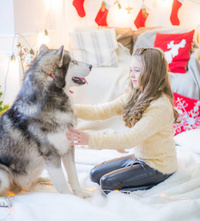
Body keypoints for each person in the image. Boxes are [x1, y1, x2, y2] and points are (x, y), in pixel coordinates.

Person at [66, 47, 179, 193]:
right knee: (94, 174)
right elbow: (100, 111)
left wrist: (90, 139)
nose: (131, 75)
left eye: (137, 70)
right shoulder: (136, 95)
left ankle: (148, 188)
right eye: (131, 70)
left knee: (107, 183)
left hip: (158, 166)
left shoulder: (160, 106)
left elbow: (130, 139)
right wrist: (67, 107)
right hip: (139, 158)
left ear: (152, 73)